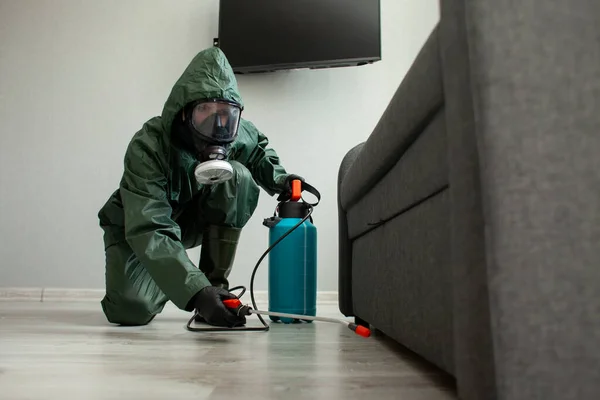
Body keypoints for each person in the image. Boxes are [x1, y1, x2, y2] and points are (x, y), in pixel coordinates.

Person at [97, 47, 304, 327]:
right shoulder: (149, 146)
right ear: (183, 111)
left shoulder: (236, 133)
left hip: (189, 220)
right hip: (138, 226)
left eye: (225, 114)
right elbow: (149, 226)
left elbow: (258, 152)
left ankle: (214, 287)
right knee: (132, 309)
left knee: (238, 178)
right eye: (204, 109)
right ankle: (190, 285)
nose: (216, 123)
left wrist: (282, 181)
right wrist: (194, 291)